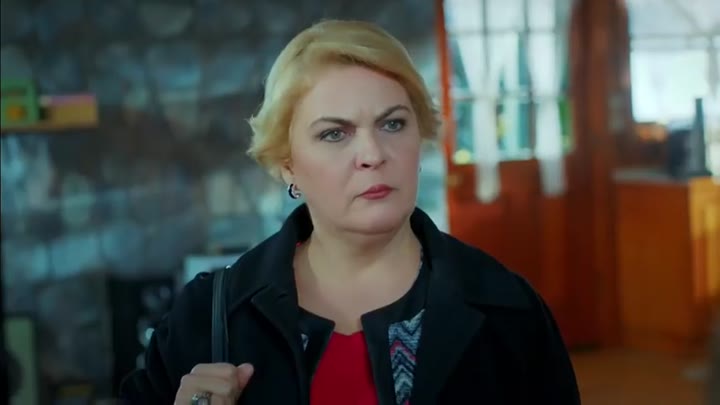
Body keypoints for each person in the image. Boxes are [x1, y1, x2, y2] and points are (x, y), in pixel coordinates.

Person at [120, 19, 580, 405]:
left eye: (392, 124)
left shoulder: (506, 309)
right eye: (334, 134)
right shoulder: (209, 316)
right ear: (287, 163)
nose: (373, 154)